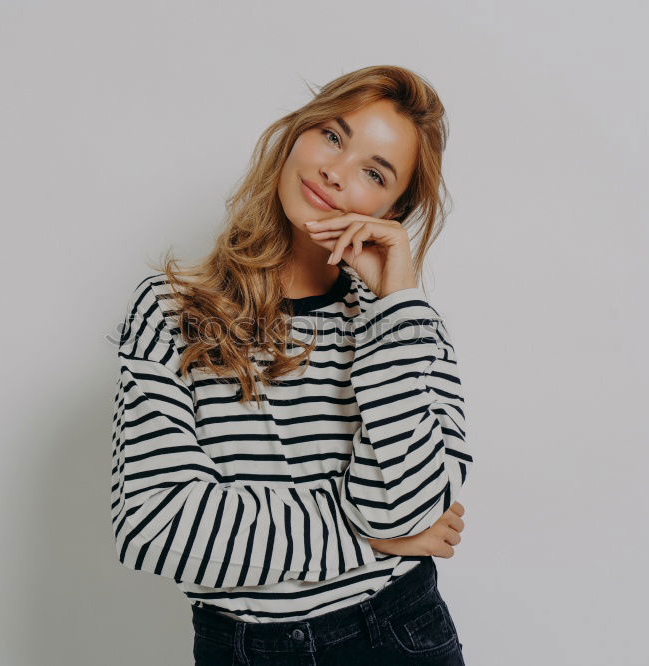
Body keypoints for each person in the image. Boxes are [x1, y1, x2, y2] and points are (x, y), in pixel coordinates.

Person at [109, 65, 472, 665]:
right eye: (333, 135)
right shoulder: (172, 311)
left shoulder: (407, 328)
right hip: (247, 649)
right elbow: (155, 524)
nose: (336, 170)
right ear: (298, 134)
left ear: (392, 208)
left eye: (374, 172)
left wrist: (395, 310)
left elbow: (414, 506)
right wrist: (372, 536)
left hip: (400, 635)